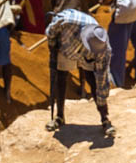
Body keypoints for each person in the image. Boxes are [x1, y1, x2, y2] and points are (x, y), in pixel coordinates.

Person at [45, 8, 114, 136]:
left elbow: (102, 81)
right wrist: (52, 44)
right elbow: (51, 29)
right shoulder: (68, 22)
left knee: (93, 80)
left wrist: (102, 103)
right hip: (66, 47)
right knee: (60, 77)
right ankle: (59, 117)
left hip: (83, 53)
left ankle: (104, 118)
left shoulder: (102, 50)